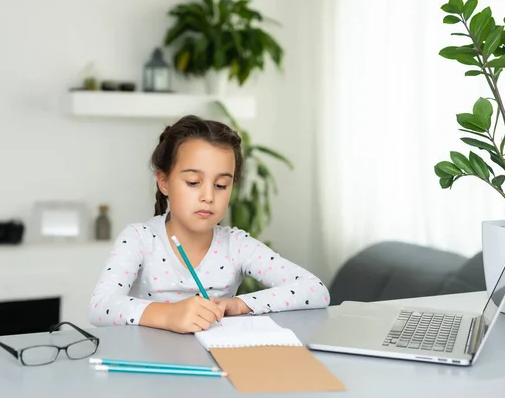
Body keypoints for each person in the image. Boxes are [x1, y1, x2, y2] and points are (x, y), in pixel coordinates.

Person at [88, 115, 330, 333]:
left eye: (221, 185)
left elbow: (315, 289)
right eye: (193, 182)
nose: (208, 196)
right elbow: (101, 306)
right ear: (164, 182)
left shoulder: (236, 244)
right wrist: (169, 314)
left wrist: (238, 304)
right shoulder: (139, 238)